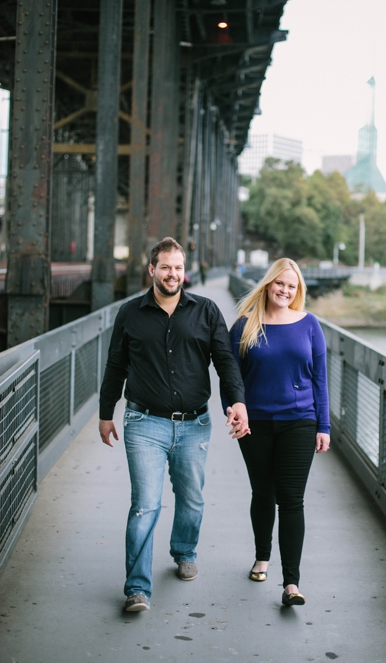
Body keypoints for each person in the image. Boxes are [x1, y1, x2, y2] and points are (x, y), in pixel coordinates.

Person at [98, 237, 249, 613]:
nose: (172, 274)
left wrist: (237, 402)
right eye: (165, 267)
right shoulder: (130, 313)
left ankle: (184, 551)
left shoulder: (207, 311)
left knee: (192, 499)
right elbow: (116, 365)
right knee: (146, 506)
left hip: (195, 424)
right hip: (143, 422)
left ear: (185, 271)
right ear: (151, 270)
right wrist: (105, 413)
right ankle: (137, 588)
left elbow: (225, 361)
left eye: (178, 267)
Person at [225, 258, 330, 607]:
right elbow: (231, 377)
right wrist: (234, 410)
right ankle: (261, 556)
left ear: (298, 290)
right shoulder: (244, 325)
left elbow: (320, 379)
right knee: (263, 491)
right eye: (279, 284)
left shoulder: (310, 324)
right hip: (254, 424)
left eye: (292, 286)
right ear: (268, 284)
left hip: (300, 422)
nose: (285, 290)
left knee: (291, 499)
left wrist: (324, 425)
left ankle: (291, 583)